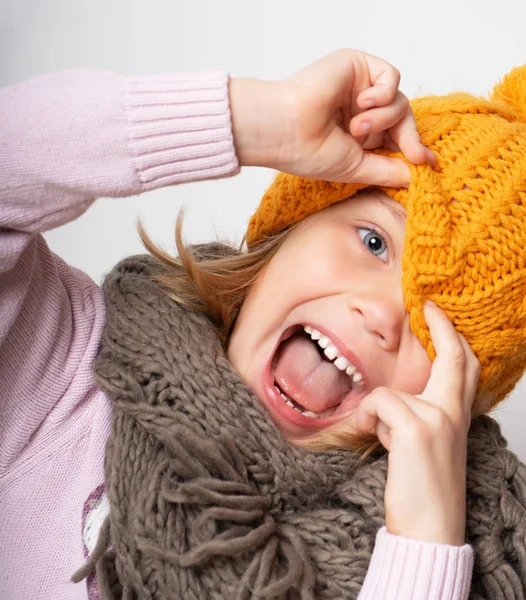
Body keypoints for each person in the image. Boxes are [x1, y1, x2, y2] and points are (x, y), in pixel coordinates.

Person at [1, 49, 525, 600]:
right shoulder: (65, 371)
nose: (383, 315)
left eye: (436, 328)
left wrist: (426, 546)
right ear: (289, 229)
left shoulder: (448, 555)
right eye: (374, 242)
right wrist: (254, 119)